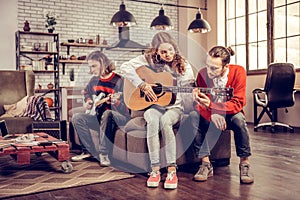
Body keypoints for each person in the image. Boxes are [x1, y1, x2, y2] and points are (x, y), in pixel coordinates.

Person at [120, 32, 194, 189]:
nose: (168, 55)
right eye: (163, 52)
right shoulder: (148, 59)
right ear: (156, 52)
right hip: (154, 106)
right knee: (152, 120)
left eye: (171, 51)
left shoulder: (184, 66)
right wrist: (142, 85)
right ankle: (155, 170)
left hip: (175, 107)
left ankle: (171, 170)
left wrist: (193, 95)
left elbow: (187, 94)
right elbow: (124, 67)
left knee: (165, 121)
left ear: (175, 49)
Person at [190, 46, 254, 184]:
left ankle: (245, 163)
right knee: (193, 116)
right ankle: (206, 163)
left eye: (214, 68)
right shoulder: (202, 74)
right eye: (207, 66)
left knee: (239, 120)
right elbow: (199, 104)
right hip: (210, 114)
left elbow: (238, 102)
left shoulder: (238, 71)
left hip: (230, 113)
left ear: (226, 66)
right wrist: (212, 113)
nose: (209, 71)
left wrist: (214, 108)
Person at [71, 50, 130, 167]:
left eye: (94, 66)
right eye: (90, 66)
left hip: (118, 118)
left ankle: (104, 153)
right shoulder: (94, 80)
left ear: (103, 63)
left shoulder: (120, 81)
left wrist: (116, 102)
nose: (91, 70)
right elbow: (87, 92)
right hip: (99, 118)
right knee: (77, 117)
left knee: (108, 113)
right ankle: (88, 151)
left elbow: (127, 108)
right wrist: (88, 101)